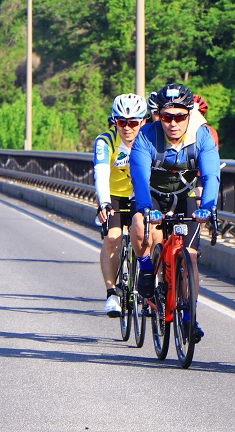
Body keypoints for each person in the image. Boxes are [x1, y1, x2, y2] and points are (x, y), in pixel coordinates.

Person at [129, 83, 221, 343]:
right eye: (167, 117)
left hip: (184, 196)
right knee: (139, 222)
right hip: (153, 195)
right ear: (159, 115)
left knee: (190, 257)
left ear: (189, 115)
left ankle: (190, 316)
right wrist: (147, 208)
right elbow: (139, 175)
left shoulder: (201, 136)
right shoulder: (147, 136)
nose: (173, 123)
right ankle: (146, 267)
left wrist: (208, 206)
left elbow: (212, 174)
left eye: (180, 116)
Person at [93, 93, 147, 317]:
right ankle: (112, 293)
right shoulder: (105, 141)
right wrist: (104, 202)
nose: (127, 128)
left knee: (148, 236)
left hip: (140, 195)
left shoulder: (149, 139)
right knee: (113, 238)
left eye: (133, 123)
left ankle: (150, 290)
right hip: (114, 195)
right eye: (121, 122)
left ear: (143, 122)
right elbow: (101, 172)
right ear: (114, 121)